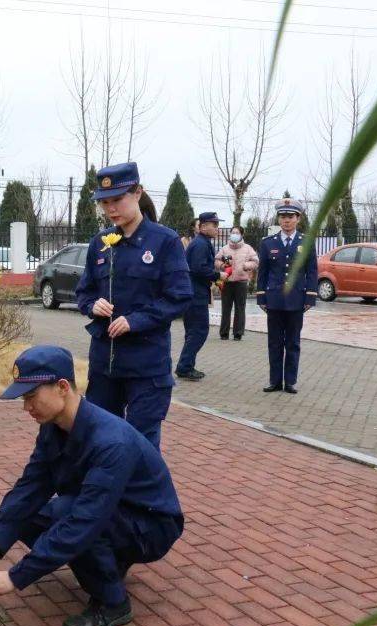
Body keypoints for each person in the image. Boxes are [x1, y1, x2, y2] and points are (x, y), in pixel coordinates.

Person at [0, 345, 185, 626]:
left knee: (67, 516)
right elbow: (31, 485)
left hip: (151, 527)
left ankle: (113, 603)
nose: (26, 407)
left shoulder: (111, 442)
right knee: (32, 517)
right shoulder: (54, 426)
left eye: (31, 397)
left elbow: (86, 518)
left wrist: (16, 577)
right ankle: (109, 563)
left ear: (62, 387)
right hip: (114, 512)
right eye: (24, 399)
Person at [74, 163, 192, 449]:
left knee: (141, 448)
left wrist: (135, 320)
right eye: (105, 202)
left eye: (118, 199)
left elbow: (179, 296)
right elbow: (84, 292)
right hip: (105, 367)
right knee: (102, 444)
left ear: (138, 193)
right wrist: (93, 305)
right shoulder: (100, 243)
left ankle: (142, 495)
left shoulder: (165, 241)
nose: (111, 208)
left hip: (146, 366)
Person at [256, 198, 318, 394]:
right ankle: (275, 381)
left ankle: (290, 381)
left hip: (296, 300)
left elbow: (312, 271)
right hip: (274, 300)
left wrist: (310, 297)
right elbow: (263, 272)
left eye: (290, 216)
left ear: (298, 218)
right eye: (283, 216)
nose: (286, 220)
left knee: (293, 342)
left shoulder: (306, 242)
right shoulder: (268, 243)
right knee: (274, 343)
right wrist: (261, 296)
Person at [175, 212, 223, 380]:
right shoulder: (201, 244)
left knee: (193, 332)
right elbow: (198, 268)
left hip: (194, 292)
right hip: (195, 295)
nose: (217, 228)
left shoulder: (201, 243)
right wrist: (218, 275)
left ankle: (187, 366)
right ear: (203, 226)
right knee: (199, 332)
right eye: (214, 225)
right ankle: (184, 366)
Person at [216, 227, 259, 340]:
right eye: (233, 233)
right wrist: (222, 265)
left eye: (237, 233)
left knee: (240, 308)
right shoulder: (224, 249)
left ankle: (238, 333)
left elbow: (255, 261)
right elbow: (216, 260)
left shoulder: (248, 248)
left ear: (241, 235)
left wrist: (246, 265)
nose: (234, 234)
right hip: (227, 281)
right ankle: (224, 333)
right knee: (226, 308)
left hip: (241, 282)